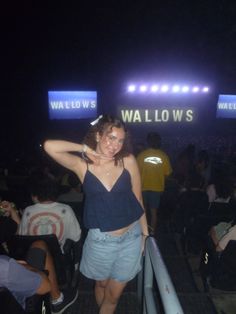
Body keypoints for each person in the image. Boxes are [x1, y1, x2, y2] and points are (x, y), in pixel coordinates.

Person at [44, 114, 149, 314]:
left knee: (114, 295)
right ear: (99, 136)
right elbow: (50, 146)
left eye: (120, 140)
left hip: (131, 238)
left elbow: (138, 200)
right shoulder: (82, 166)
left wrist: (144, 234)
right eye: (111, 138)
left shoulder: (127, 160)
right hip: (101, 241)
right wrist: (84, 149)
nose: (116, 145)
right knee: (101, 286)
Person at [0, 202, 78, 313]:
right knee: (40, 245)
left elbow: (16, 231)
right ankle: (57, 300)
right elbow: (45, 286)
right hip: (21, 304)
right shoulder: (5, 267)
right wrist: (24, 267)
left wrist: (12, 212)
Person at [17, 173, 81, 256]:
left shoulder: (28, 210)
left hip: (34, 258)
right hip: (59, 259)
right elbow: (76, 236)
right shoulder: (66, 209)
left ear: (35, 194)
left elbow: (22, 236)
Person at [136, 132, 172, 234]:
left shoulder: (141, 155)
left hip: (143, 187)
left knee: (143, 211)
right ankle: (152, 233)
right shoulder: (163, 156)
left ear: (148, 142)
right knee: (154, 212)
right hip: (157, 188)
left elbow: (136, 172)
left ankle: (142, 231)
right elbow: (168, 173)